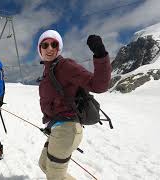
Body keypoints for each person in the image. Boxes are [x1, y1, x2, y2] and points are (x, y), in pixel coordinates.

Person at [37, 30, 111, 179]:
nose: (49, 48)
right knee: (44, 165)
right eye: (45, 45)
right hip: (56, 128)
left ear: (59, 48)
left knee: (55, 176)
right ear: (40, 49)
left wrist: (100, 55)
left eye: (54, 44)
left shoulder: (65, 65)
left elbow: (98, 85)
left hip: (67, 129)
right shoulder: (48, 70)